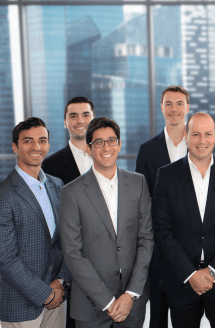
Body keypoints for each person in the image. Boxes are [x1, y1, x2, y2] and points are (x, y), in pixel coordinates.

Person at [152, 112, 215, 328]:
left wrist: (212, 271)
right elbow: (162, 230)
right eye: (196, 134)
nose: (202, 140)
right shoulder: (166, 175)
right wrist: (190, 274)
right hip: (181, 282)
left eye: (207, 134)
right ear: (186, 136)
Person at [60, 117, 154, 327]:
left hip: (132, 304)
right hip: (90, 306)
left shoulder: (138, 183)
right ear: (88, 148)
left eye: (111, 140)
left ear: (119, 145)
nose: (106, 147)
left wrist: (131, 293)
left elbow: (146, 240)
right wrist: (108, 302)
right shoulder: (71, 192)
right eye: (98, 142)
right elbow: (72, 253)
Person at [0, 117, 71, 327]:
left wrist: (60, 282)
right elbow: (5, 259)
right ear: (15, 147)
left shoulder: (57, 185)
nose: (36, 147)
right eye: (28, 141)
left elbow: (67, 240)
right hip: (21, 306)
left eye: (42, 140)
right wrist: (46, 295)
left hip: (58, 299)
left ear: (48, 145)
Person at [135, 85, 190, 328]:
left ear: (187, 107)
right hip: (159, 243)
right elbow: (141, 199)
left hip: (193, 243)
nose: (174, 109)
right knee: (158, 310)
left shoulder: (198, 144)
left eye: (179, 103)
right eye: (168, 104)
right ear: (161, 107)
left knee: (188, 313)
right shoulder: (147, 150)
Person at [43, 96, 95, 185]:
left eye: (86, 115)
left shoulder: (105, 156)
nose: (80, 121)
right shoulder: (50, 165)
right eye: (73, 116)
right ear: (65, 123)